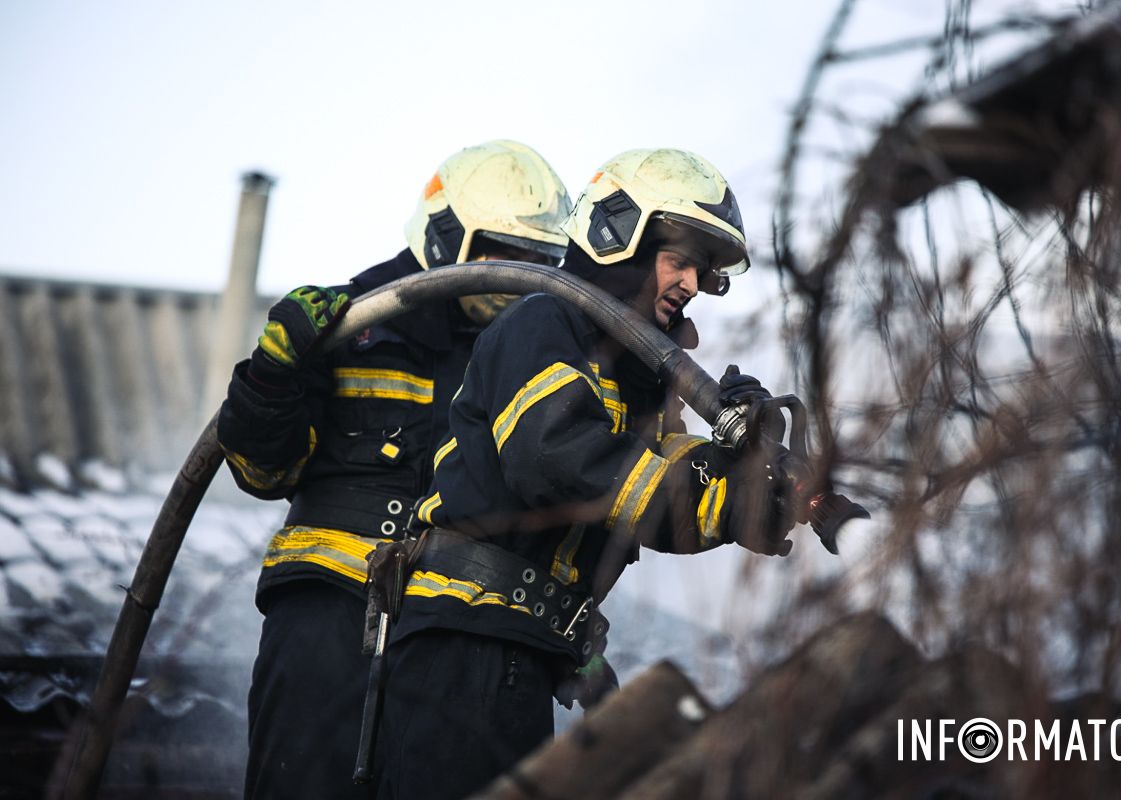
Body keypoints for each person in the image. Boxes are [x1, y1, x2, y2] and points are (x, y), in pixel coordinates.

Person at [374, 148, 804, 799]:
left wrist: (742, 488)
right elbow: (556, 459)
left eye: (705, 272)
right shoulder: (543, 323)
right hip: (465, 645)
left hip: (520, 646)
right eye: (680, 260)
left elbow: (669, 495)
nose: (692, 283)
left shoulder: (638, 379)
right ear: (619, 237)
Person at [215, 140, 572, 800]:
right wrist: (272, 375)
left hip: (470, 641)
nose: (519, 278)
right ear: (446, 237)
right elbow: (263, 474)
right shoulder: (352, 324)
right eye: (504, 253)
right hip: (325, 626)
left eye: (539, 264)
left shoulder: (540, 361)